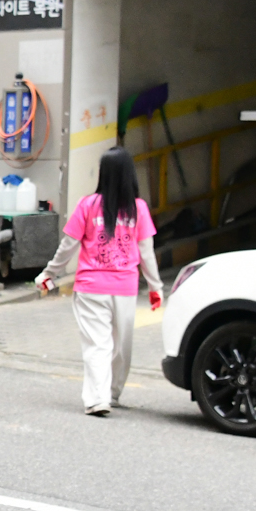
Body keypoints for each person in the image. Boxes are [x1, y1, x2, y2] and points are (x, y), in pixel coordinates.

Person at [37, 147, 161, 416]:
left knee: (98, 344)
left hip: (91, 287)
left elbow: (68, 246)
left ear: (103, 174)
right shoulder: (138, 209)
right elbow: (146, 251)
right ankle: (109, 394)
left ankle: (99, 398)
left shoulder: (87, 205)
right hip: (125, 288)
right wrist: (156, 287)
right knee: (120, 347)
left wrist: (50, 272)